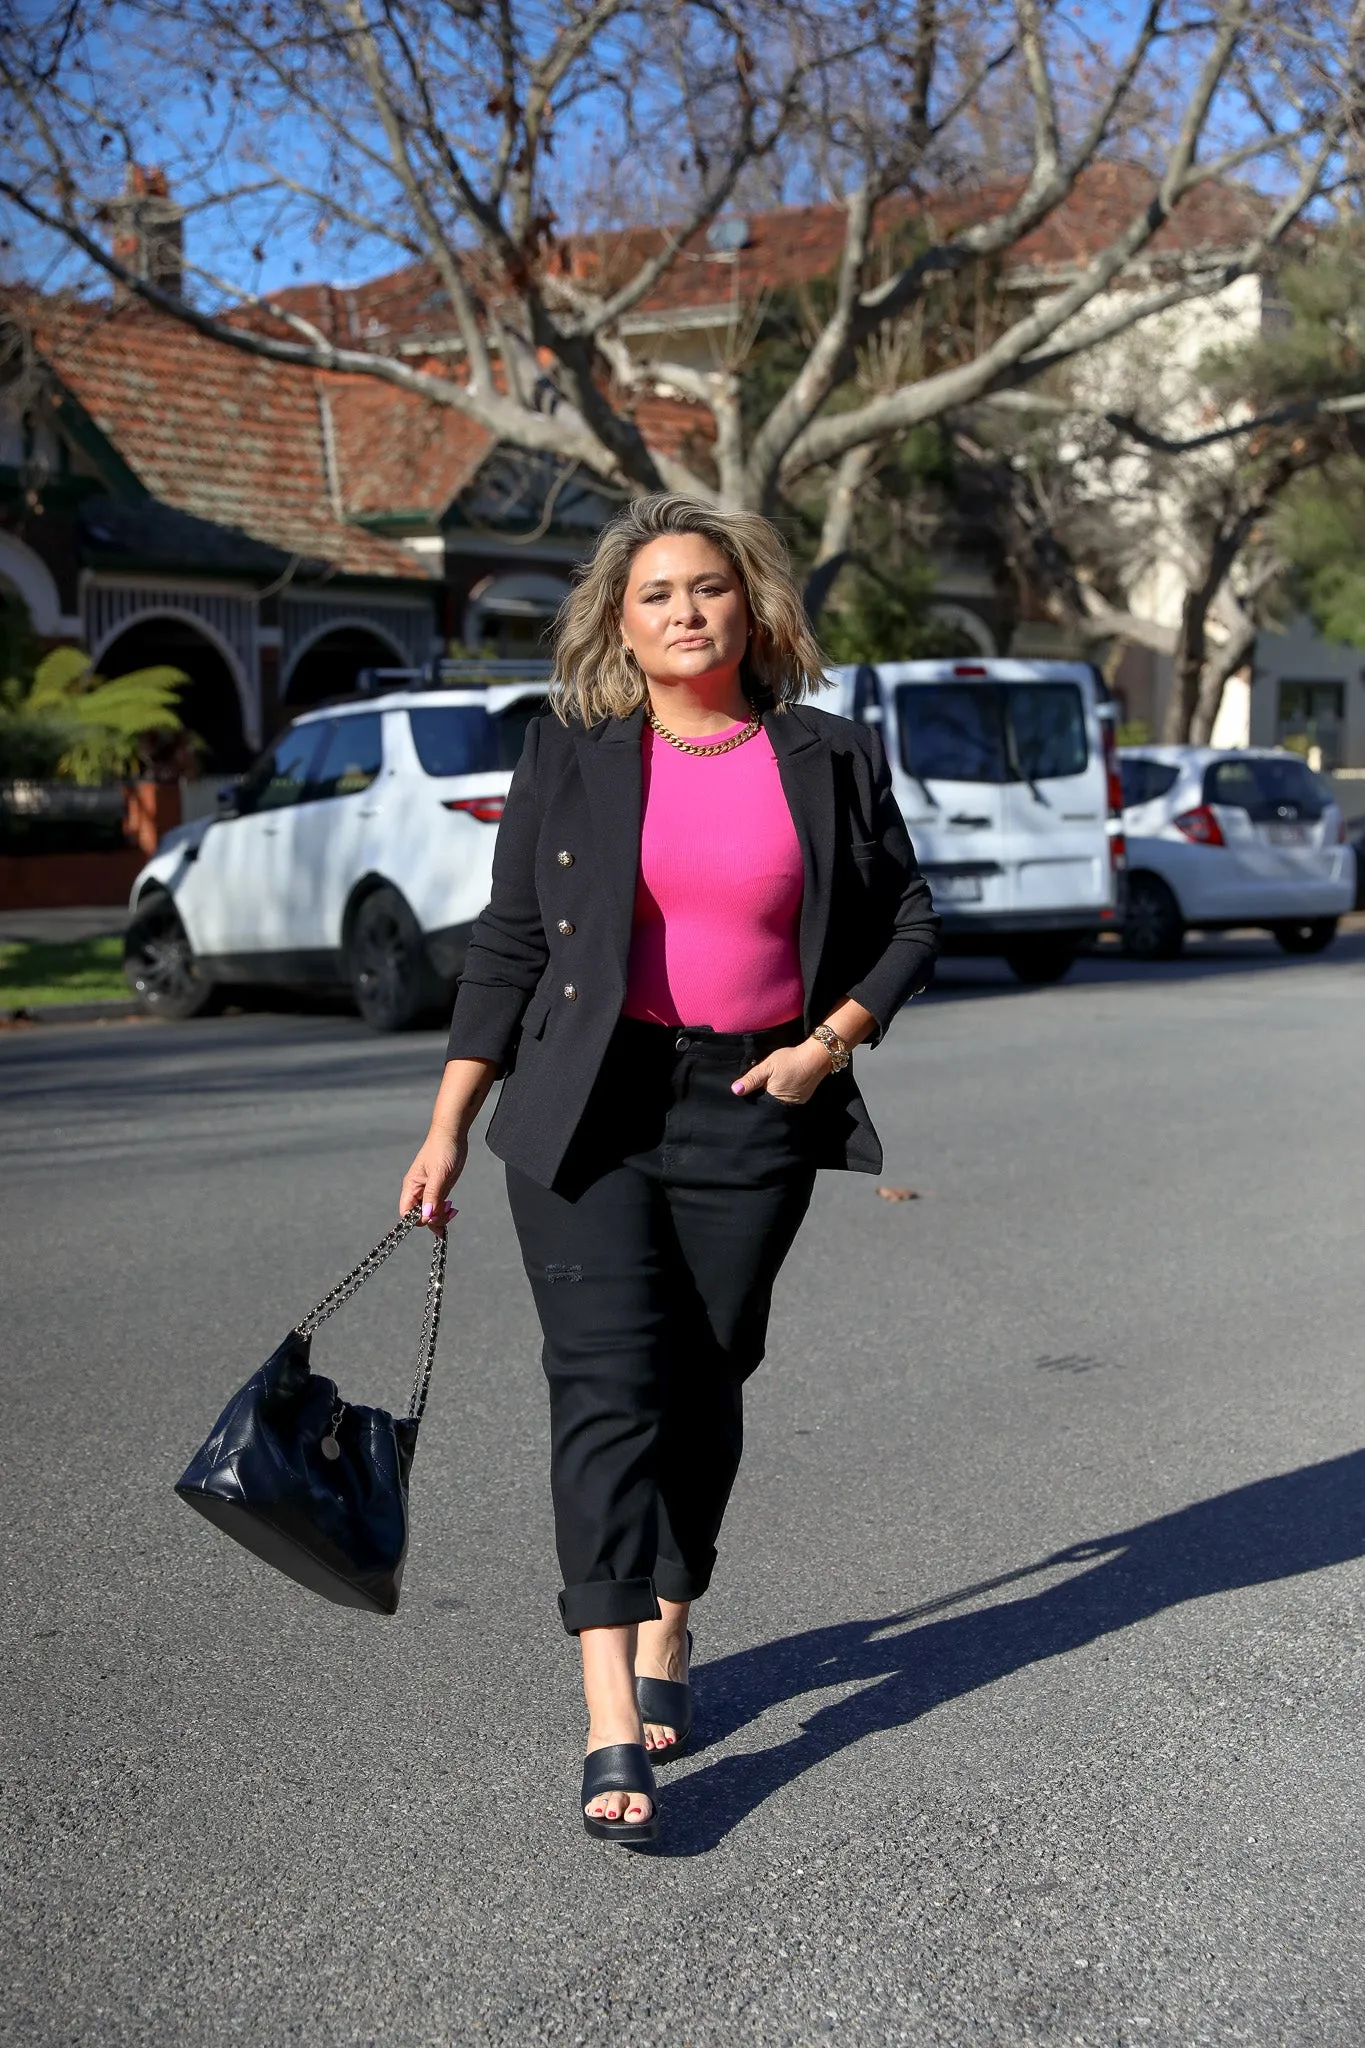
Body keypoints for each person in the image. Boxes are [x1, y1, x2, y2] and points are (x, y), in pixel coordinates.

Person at [400, 493, 939, 1843]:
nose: (684, 609)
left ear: (750, 608)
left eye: (707, 587)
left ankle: (673, 1617)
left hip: (755, 1097)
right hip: (589, 1103)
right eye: (656, 594)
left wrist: (829, 1045)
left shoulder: (828, 756)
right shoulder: (568, 755)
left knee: (707, 1377)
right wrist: (448, 1120)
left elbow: (907, 920)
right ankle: (602, 1715)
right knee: (602, 1393)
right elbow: (507, 944)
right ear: (620, 624)